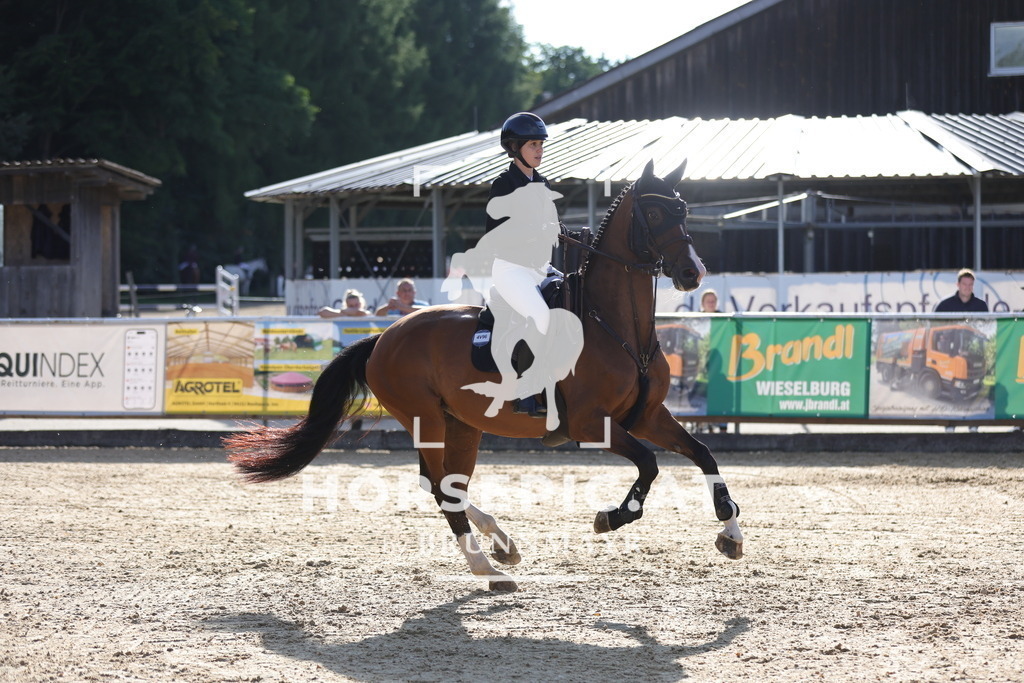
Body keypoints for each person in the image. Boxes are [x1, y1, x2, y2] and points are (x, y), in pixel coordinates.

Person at [485, 112, 560, 417]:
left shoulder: (542, 182)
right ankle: (525, 391)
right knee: (541, 317)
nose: (539, 150)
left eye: (541, 144)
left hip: (539, 268)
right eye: (533, 144)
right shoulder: (503, 184)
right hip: (511, 269)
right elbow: (494, 233)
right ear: (514, 147)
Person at [934, 268, 988, 433]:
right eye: (964, 284)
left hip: (973, 359)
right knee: (951, 392)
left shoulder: (981, 306)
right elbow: (935, 329)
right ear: (958, 284)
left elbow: (986, 330)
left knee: (974, 391)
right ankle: (951, 425)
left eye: (970, 284)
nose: (967, 287)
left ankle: (974, 424)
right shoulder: (945, 305)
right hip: (949, 357)